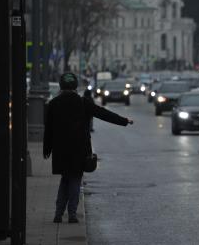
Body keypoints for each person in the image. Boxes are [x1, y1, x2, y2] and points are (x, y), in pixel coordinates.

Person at [43, 72, 133, 223]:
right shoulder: (83, 102)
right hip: (79, 149)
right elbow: (103, 113)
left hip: (61, 150)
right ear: (75, 86)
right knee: (75, 180)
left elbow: (48, 129)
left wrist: (47, 148)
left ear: (61, 86)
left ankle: (58, 214)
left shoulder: (53, 104)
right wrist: (124, 121)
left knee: (65, 179)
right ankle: (72, 214)